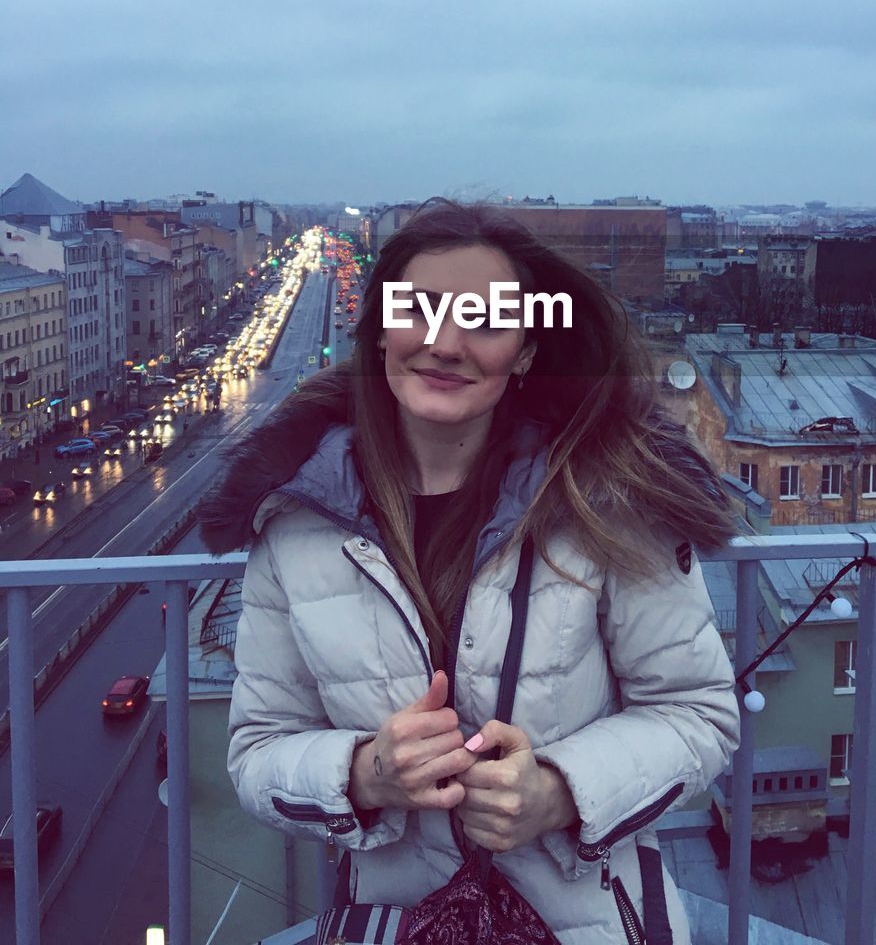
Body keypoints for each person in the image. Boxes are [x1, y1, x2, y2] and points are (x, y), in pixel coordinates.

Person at [200, 201, 741, 944]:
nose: (445, 344)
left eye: (484, 321)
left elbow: (698, 715)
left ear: (524, 352)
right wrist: (364, 775)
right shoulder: (298, 523)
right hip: (399, 921)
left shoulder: (604, 496)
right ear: (380, 328)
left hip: (587, 923)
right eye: (417, 309)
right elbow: (258, 752)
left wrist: (557, 792)